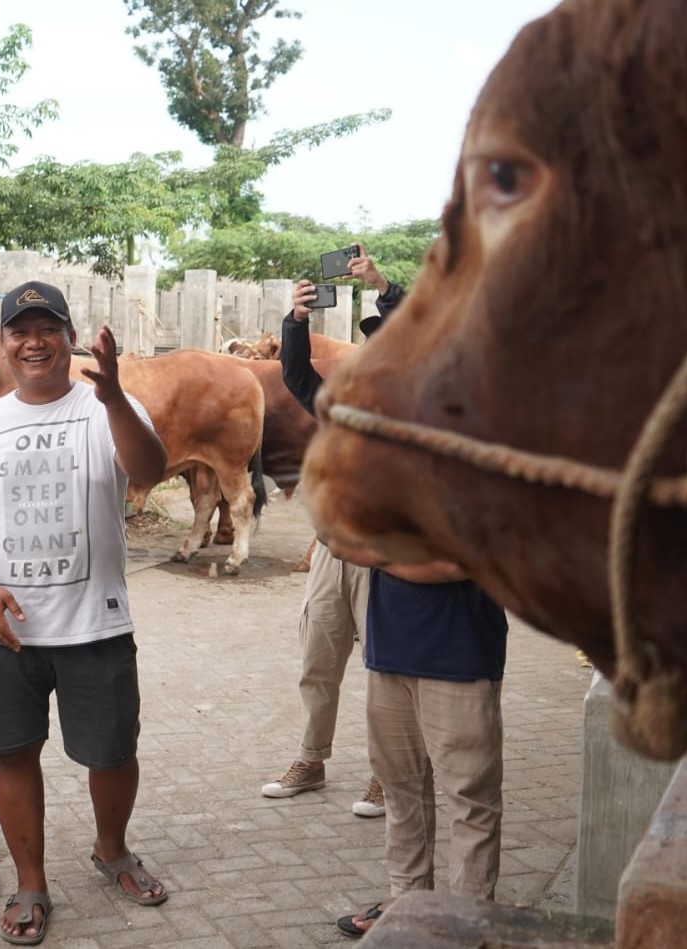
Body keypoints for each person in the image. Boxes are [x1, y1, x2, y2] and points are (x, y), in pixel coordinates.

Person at [0, 281, 170, 946]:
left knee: (112, 752)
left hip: (94, 619)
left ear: (71, 338)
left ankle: (112, 848)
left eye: (48, 328)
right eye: (21, 329)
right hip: (5, 630)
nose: (34, 341)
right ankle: (31, 880)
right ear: (4, 342)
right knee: (12, 753)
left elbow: (149, 469)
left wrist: (115, 396)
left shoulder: (108, 407)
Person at [262, 247, 407, 816]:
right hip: (332, 555)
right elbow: (296, 374)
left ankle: (386, 774)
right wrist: (295, 321)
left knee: (386, 671)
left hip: (387, 560)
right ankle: (311, 759)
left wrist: (382, 285)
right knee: (318, 662)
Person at [333, 561, 508, 937]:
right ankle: (408, 904)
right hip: (389, 650)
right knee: (399, 789)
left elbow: (457, 562)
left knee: (470, 801)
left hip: (462, 656)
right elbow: (336, 536)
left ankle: (468, 923)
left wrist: (375, 548)